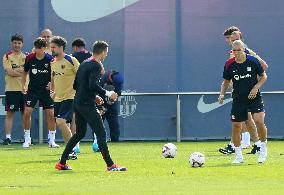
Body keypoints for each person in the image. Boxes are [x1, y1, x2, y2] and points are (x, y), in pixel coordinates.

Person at [55, 40, 127, 171]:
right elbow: (92, 85)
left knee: (79, 134)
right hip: (86, 104)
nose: (106, 55)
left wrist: (95, 96)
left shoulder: (84, 63)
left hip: (77, 102)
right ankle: (110, 165)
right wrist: (107, 93)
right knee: (101, 132)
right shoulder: (95, 65)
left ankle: (61, 163)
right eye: (106, 53)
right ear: (104, 52)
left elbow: (76, 85)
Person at [219, 27, 268, 155]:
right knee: (246, 119)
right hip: (239, 91)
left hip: (248, 91)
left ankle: (235, 145)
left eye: (235, 38)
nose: (231, 40)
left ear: (241, 39)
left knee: (242, 121)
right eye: (230, 38)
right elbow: (228, 77)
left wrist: (254, 81)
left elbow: (264, 66)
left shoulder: (245, 52)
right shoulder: (234, 53)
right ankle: (255, 143)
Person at [22, 37, 59, 148]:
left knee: (51, 114)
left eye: (40, 48)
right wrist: (23, 85)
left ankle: (51, 140)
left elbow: (55, 74)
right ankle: (27, 139)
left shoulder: (50, 59)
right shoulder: (30, 58)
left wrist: (52, 86)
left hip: (46, 91)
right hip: (32, 90)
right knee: (27, 112)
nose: (37, 50)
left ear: (45, 48)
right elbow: (24, 72)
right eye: (36, 47)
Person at [50, 36, 80, 159]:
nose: (51, 49)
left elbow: (81, 76)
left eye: (54, 47)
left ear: (61, 47)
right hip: (57, 98)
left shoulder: (71, 60)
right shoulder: (52, 62)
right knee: (64, 125)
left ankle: (72, 150)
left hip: (70, 97)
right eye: (51, 47)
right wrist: (52, 91)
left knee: (60, 122)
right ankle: (70, 152)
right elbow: (52, 79)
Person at [2, 34, 26, 145]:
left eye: (19, 43)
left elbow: (27, 72)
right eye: (15, 43)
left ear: (22, 44)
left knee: (25, 114)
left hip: (24, 89)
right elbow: (9, 72)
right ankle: (8, 138)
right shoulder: (7, 56)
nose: (17, 45)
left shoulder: (27, 57)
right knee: (10, 114)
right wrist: (21, 71)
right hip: (11, 89)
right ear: (12, 43)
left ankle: (27, 138)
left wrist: (16, 71)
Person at [92, 70, 124, 152]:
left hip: (112, 104)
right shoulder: (102, 78)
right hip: (100, 102)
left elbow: (118, 92)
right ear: (110, 78)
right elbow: (96, 92)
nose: (115, 85)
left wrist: (112, 101)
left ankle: (115, 140)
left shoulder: (118, 81)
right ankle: (97, 141)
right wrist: (101, 106)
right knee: (98, 122)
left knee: (114, 123)